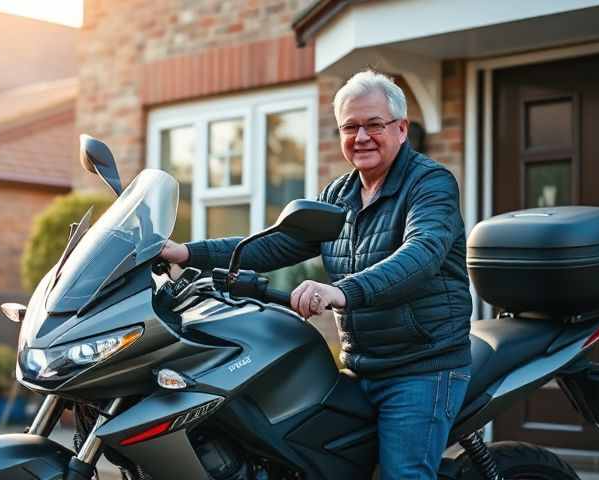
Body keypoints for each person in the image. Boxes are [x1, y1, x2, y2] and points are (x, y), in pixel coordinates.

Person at [161, 70, 471, 480]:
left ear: (400, 128)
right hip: (361, 364)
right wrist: (186, 252)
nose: (361, 136)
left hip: (422, 365)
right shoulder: (339, 196)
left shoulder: (430, 184)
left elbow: (421, 255)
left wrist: (340, 292)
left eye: (374, 125)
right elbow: (275, 244)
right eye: (350, 127)